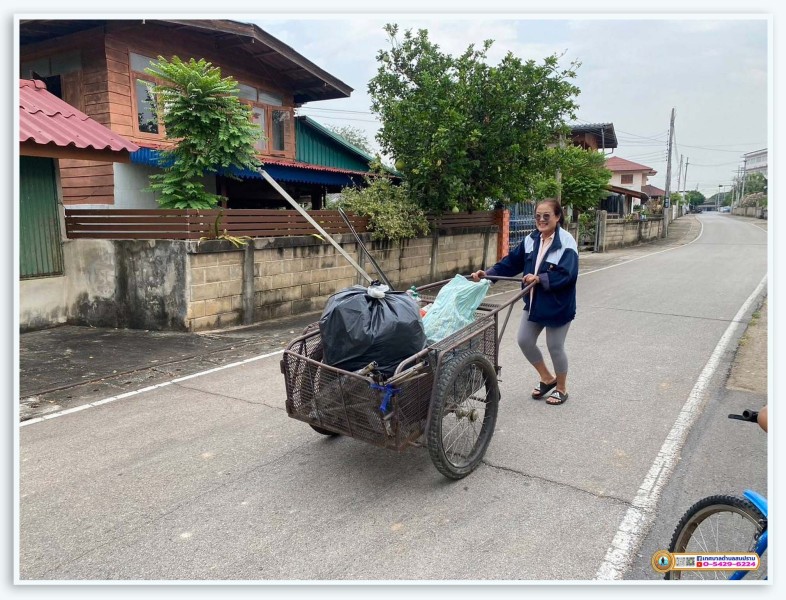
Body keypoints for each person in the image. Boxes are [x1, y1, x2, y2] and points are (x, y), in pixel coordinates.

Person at [471, 199, 578, 405]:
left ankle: (562, 388)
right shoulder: (531, 239)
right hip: (534, 301)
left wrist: (540, 278)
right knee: (524, 340)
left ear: (557, 217)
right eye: (538, 216)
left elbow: (568, 274)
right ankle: (547, 378)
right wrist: (488, 274)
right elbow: (511, 262)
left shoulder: (566, 242)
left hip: (558, 304)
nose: (541, 220)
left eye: (546, 216)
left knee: (555, 346)